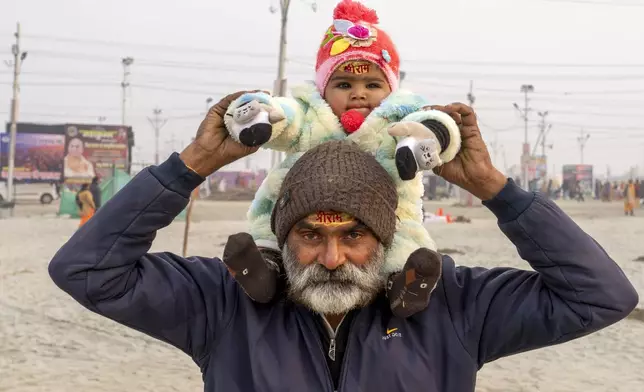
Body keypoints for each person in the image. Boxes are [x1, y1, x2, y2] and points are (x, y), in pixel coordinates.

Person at [48, 92, 638, 392]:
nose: (332, 259)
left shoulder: (454, 306)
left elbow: (601, 297)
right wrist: (192, 165)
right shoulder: (222, 304)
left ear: (387, 234)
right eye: (310, 235)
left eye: (354, 235)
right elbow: (87, 270)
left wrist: (495, 189)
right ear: (281, 235)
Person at [220, 0, 462, 317]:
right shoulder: (314, 115)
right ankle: (263, 269)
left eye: (373, 84)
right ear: (324, 88)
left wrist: (429, 137)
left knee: (404, 236)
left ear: (390, 88)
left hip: (390, 202)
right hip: (297, 198)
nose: (358, 93)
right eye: (344, 84)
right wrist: (259, 114)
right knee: (272, 225)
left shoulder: (400, 114)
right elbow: (286, 116)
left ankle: (404, 284)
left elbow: (435, 121)